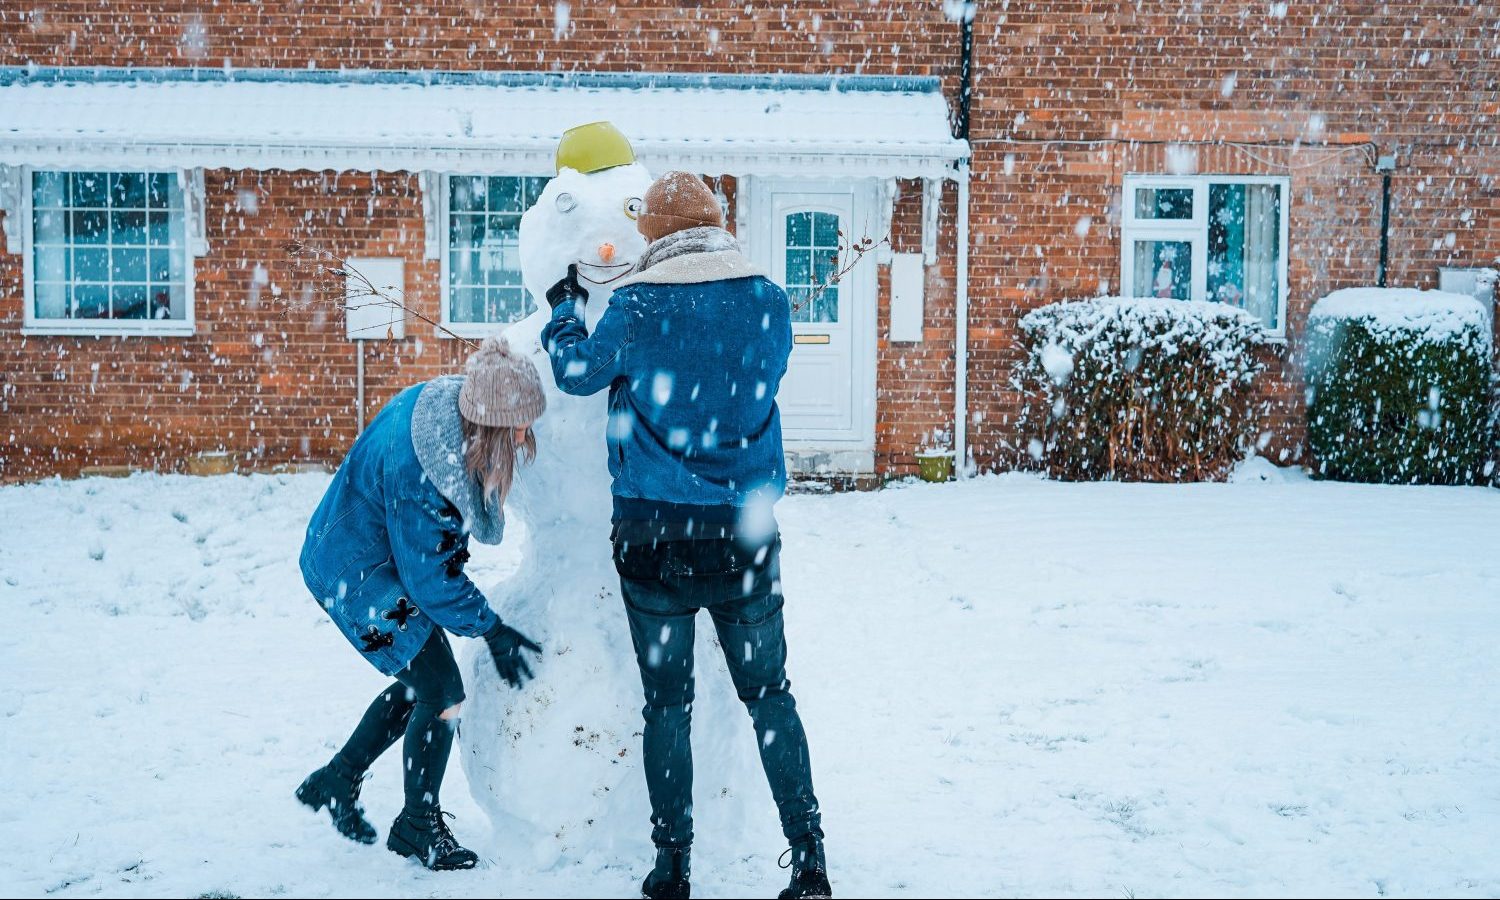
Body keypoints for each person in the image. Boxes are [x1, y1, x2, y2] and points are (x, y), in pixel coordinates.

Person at [542, 171, 832, 900]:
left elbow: (577, 374)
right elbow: (756, 379)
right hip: (745, 542)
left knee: (667, 705)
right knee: (769, 697)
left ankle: (672, 863)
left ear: (662, 234)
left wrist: (564, 313)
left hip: (654, 543)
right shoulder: (768, 301)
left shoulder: (638, 306)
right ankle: (809, 855)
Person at [295, 337, 545, 871]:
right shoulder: (426, 471)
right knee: (443, 691)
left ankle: (337, 779)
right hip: (355, 571)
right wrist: (492, 630)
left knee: (424, 683)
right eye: (520, 426)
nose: (528, 436)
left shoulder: (455, 415)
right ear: (492, 424)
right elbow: (429, 579)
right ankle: (417, 826)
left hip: (370, 551)